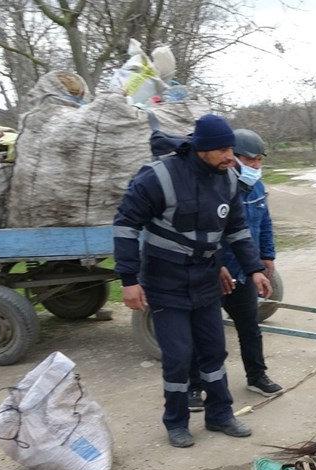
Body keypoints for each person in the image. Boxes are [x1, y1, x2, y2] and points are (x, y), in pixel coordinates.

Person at [114, 114, 273, 449]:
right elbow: (126, 225)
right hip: (165, 282)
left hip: (205, 281)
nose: (230, 156)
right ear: (202, 149)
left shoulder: (228, 179)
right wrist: (129, 279)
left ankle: (220, 414)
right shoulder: (158, 177)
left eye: (231, 148)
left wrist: (255, 268)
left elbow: (238, 230)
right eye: (223, 149)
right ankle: (176, 423)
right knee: (179, 355)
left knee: (214, 351)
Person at [187, 129, 283, 412]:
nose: (256, 165)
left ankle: (256, 376)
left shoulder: (257, 188)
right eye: (250, 159)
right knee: (201, 333)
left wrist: (267, 257)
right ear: (232, 158)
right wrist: (216, 266)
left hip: (243, 272)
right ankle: (194, 385)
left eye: (259, 160)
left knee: (250, 328)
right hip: (211, 273)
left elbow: (264, 223)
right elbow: (201, 234)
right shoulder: (211, 189)